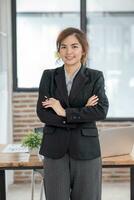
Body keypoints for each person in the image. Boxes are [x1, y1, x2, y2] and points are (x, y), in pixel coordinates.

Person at [36, 27, 109, 200]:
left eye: (74, 46)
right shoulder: (48, 76)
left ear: (83, 49)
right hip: (54, 149)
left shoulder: (95, 77)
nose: (69, 52)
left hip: (86, 149)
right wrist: (82, 111)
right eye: (63, 46)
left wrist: (63, 111)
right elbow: (43, 113)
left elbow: (100, 111)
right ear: (58, 50)